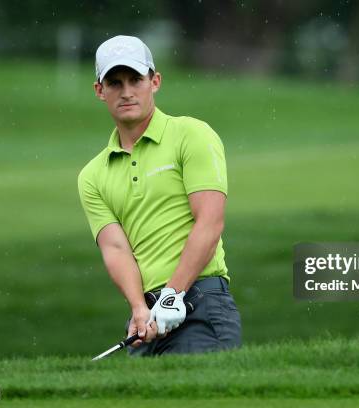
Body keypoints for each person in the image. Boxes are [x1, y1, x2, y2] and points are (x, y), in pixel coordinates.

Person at [77, 35, 241, 356]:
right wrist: (139, 308)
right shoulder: (92, 176)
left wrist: (172, 294)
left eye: (136, 79)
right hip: (147, 322)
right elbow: (116, 249)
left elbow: (209, 222)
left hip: (201, 303)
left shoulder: (190, 134)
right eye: (115, 82)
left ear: (155, 81)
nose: (126, 92)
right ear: (100, 90)